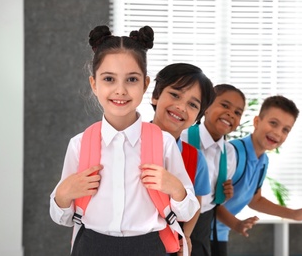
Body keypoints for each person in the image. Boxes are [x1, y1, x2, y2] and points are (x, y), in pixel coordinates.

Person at [49, 25, 199, 256]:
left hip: (149, 247)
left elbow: (187, 211)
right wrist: (63, 195)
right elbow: (63, 218)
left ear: (145, 85)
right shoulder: (79, 144)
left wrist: (176, 189)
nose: (120, 90)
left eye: (131, 79)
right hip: (90, 246)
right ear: (94, 84)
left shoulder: (164, 143)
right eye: (109, 79)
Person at [211, 95, 302, 256]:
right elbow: (209, 200)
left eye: (285, 130)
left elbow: (255, 200)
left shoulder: (263, 161)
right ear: (257, 122)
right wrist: (237, 224)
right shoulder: (232, 153)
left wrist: (293, 214)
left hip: (220, 233)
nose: (278, 132)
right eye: (273, 123)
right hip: (200, 232)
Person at [150, 63, 217, 255]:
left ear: (198, 118)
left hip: (167, 246)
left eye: (193, 104)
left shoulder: (195, 159)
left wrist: (185, 235)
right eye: (175, 95)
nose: (181, 107)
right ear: (155, 96)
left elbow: (196, 204)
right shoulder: (128, 143)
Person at [180, 84, 245, 256]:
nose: (231, 113)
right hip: (177, 219)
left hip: (203, 222)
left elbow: (213, 198)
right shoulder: (182, 137)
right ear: (206, 107)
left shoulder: (229, 153)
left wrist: (223, 195)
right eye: (225, 105)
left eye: (238, 112)